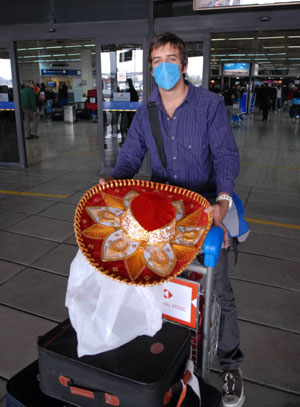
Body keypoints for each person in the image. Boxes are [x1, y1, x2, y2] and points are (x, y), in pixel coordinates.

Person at [99, 32, 244, 407]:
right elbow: (130, 157)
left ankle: (230, 365)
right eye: (156, 61)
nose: (163, 67)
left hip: (206, 209)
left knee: (218, 290)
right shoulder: (147, 112)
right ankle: (170, 354)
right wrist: (112, 182)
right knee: (161, 281)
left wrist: (222, 205)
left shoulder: (209, 105)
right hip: (164, 215)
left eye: (170, 59)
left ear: (183, 65)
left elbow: (227, 159)